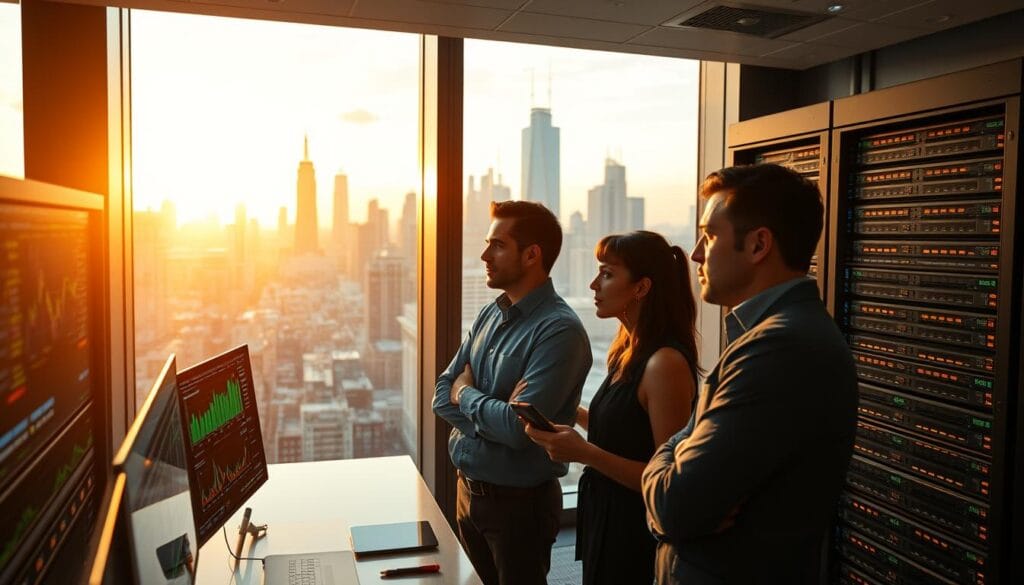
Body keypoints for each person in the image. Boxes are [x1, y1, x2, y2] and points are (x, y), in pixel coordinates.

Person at [641, 163, 858, 584]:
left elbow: (675, 505)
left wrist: (663, 462)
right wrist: (679, 449)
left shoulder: (780, 348)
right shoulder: (771, 334)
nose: (697, 254)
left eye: (710, 235)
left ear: (759, 244)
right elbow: (682, 463)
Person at [523, 230, 700, 585]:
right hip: (606, 517)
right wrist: (569, 413)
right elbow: (624, 433)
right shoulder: (627, 350)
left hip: (634, 530)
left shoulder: (664, 363)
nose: (593, 284)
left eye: (607, 273)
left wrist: (584, 453)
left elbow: (665, 479)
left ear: (641, 287)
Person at [432, 200, 592, 585]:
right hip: (467, 494)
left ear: (532, 254)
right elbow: (441, 395)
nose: (485, 255)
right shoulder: (490, 314)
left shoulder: (559, 331)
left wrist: (468, 396)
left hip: (519, 509)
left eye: (498, 245)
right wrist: (495, 412)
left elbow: (517, 432)